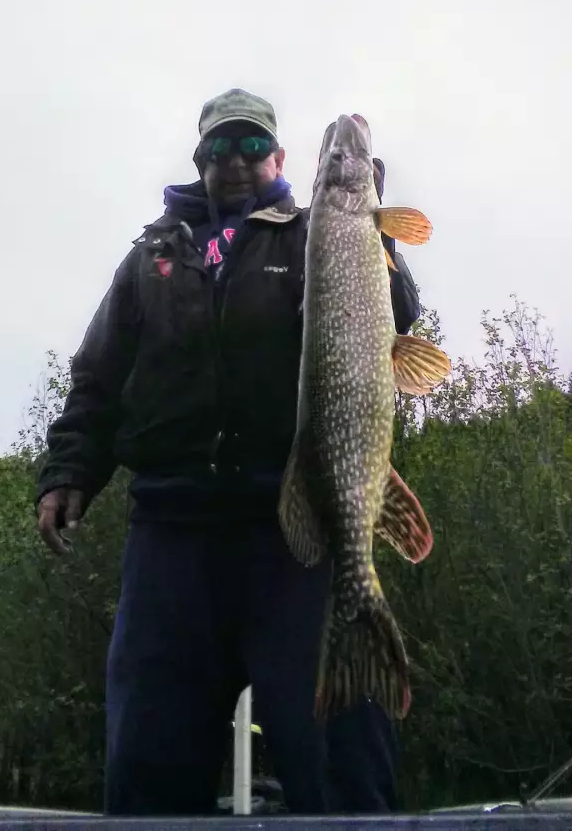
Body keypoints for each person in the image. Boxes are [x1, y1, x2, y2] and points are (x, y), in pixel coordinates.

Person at [36, 88, 420, 816]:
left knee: (341, 761)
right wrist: (68, 473)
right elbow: (98, 381)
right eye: (221, 147)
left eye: (252, 146)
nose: (236, 161)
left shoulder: (317, 234)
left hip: (293, 529)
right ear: (199, 158)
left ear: (278, 157)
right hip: (172, 538)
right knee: (150, 767)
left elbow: (394, 320)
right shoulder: (152, 257)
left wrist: (380, 236)